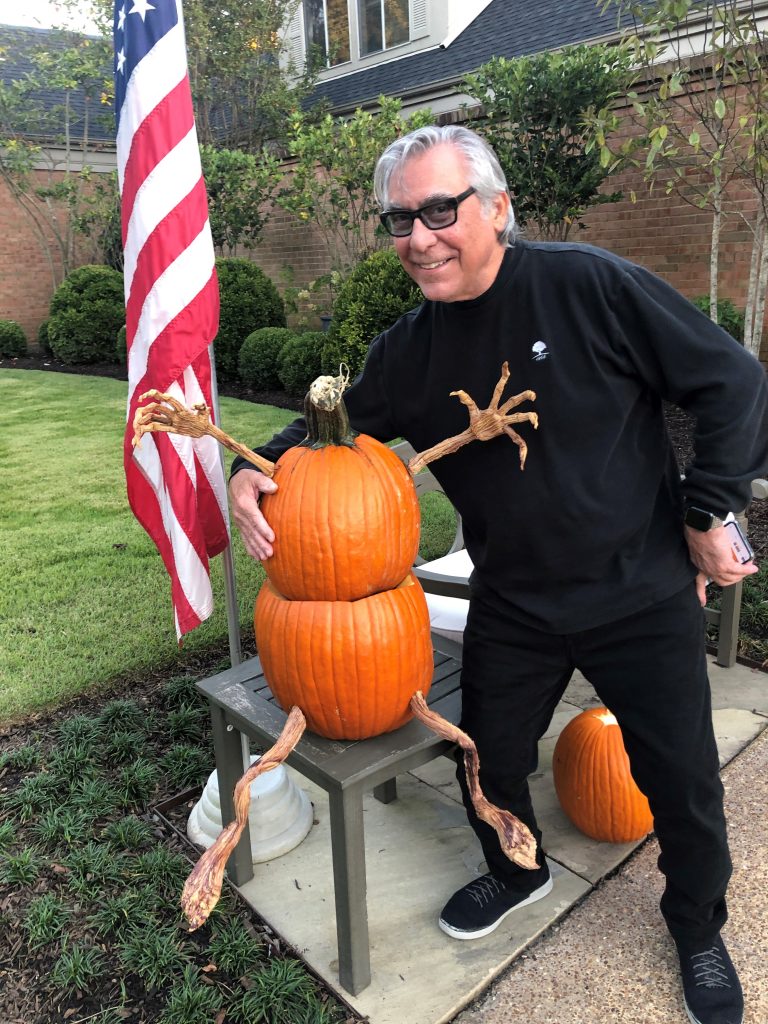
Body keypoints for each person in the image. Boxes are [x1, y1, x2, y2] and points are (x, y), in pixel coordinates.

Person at [229, 125, 767, 1024]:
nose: (421, 236)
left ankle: (697, 924)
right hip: (514, 597)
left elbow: (734, 380)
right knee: (486, 756)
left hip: (638, 589)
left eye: (442, 209)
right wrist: (257, 464)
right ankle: (514, 872)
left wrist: (708, 510)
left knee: (680, 776)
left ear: (499, 207)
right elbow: (338, 429)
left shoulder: (587, 286)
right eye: (399, 219)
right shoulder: (412, 349)